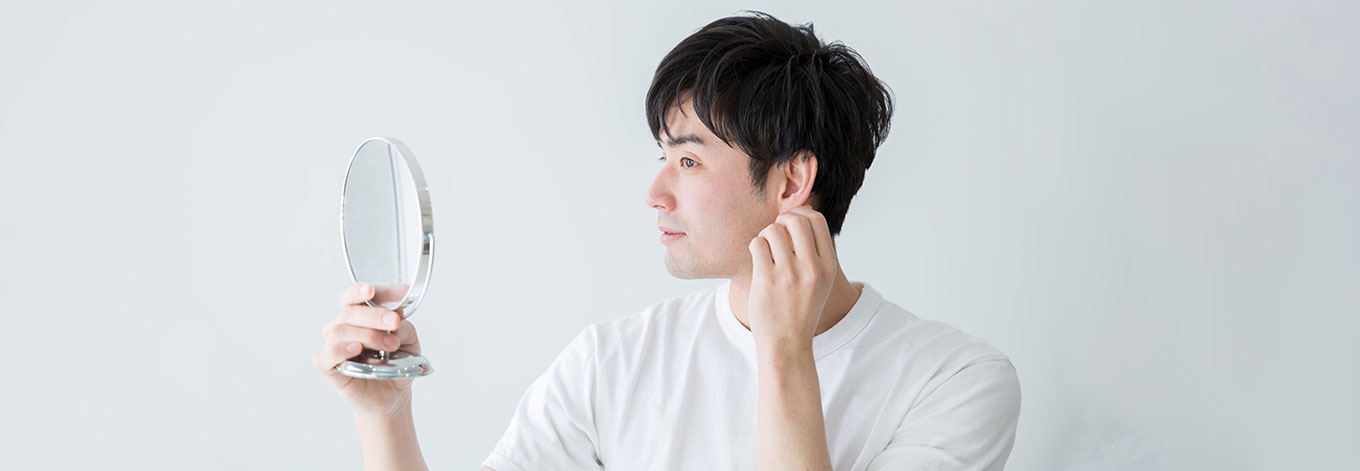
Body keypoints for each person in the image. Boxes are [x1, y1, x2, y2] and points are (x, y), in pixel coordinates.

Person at [314, 11, 1021, 471]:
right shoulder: (611, 362)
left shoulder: (954, 382)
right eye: (662, 158)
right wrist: (387, 418)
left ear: (790, 181)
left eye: (687, 160)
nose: (656, 193)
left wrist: (782, 348)